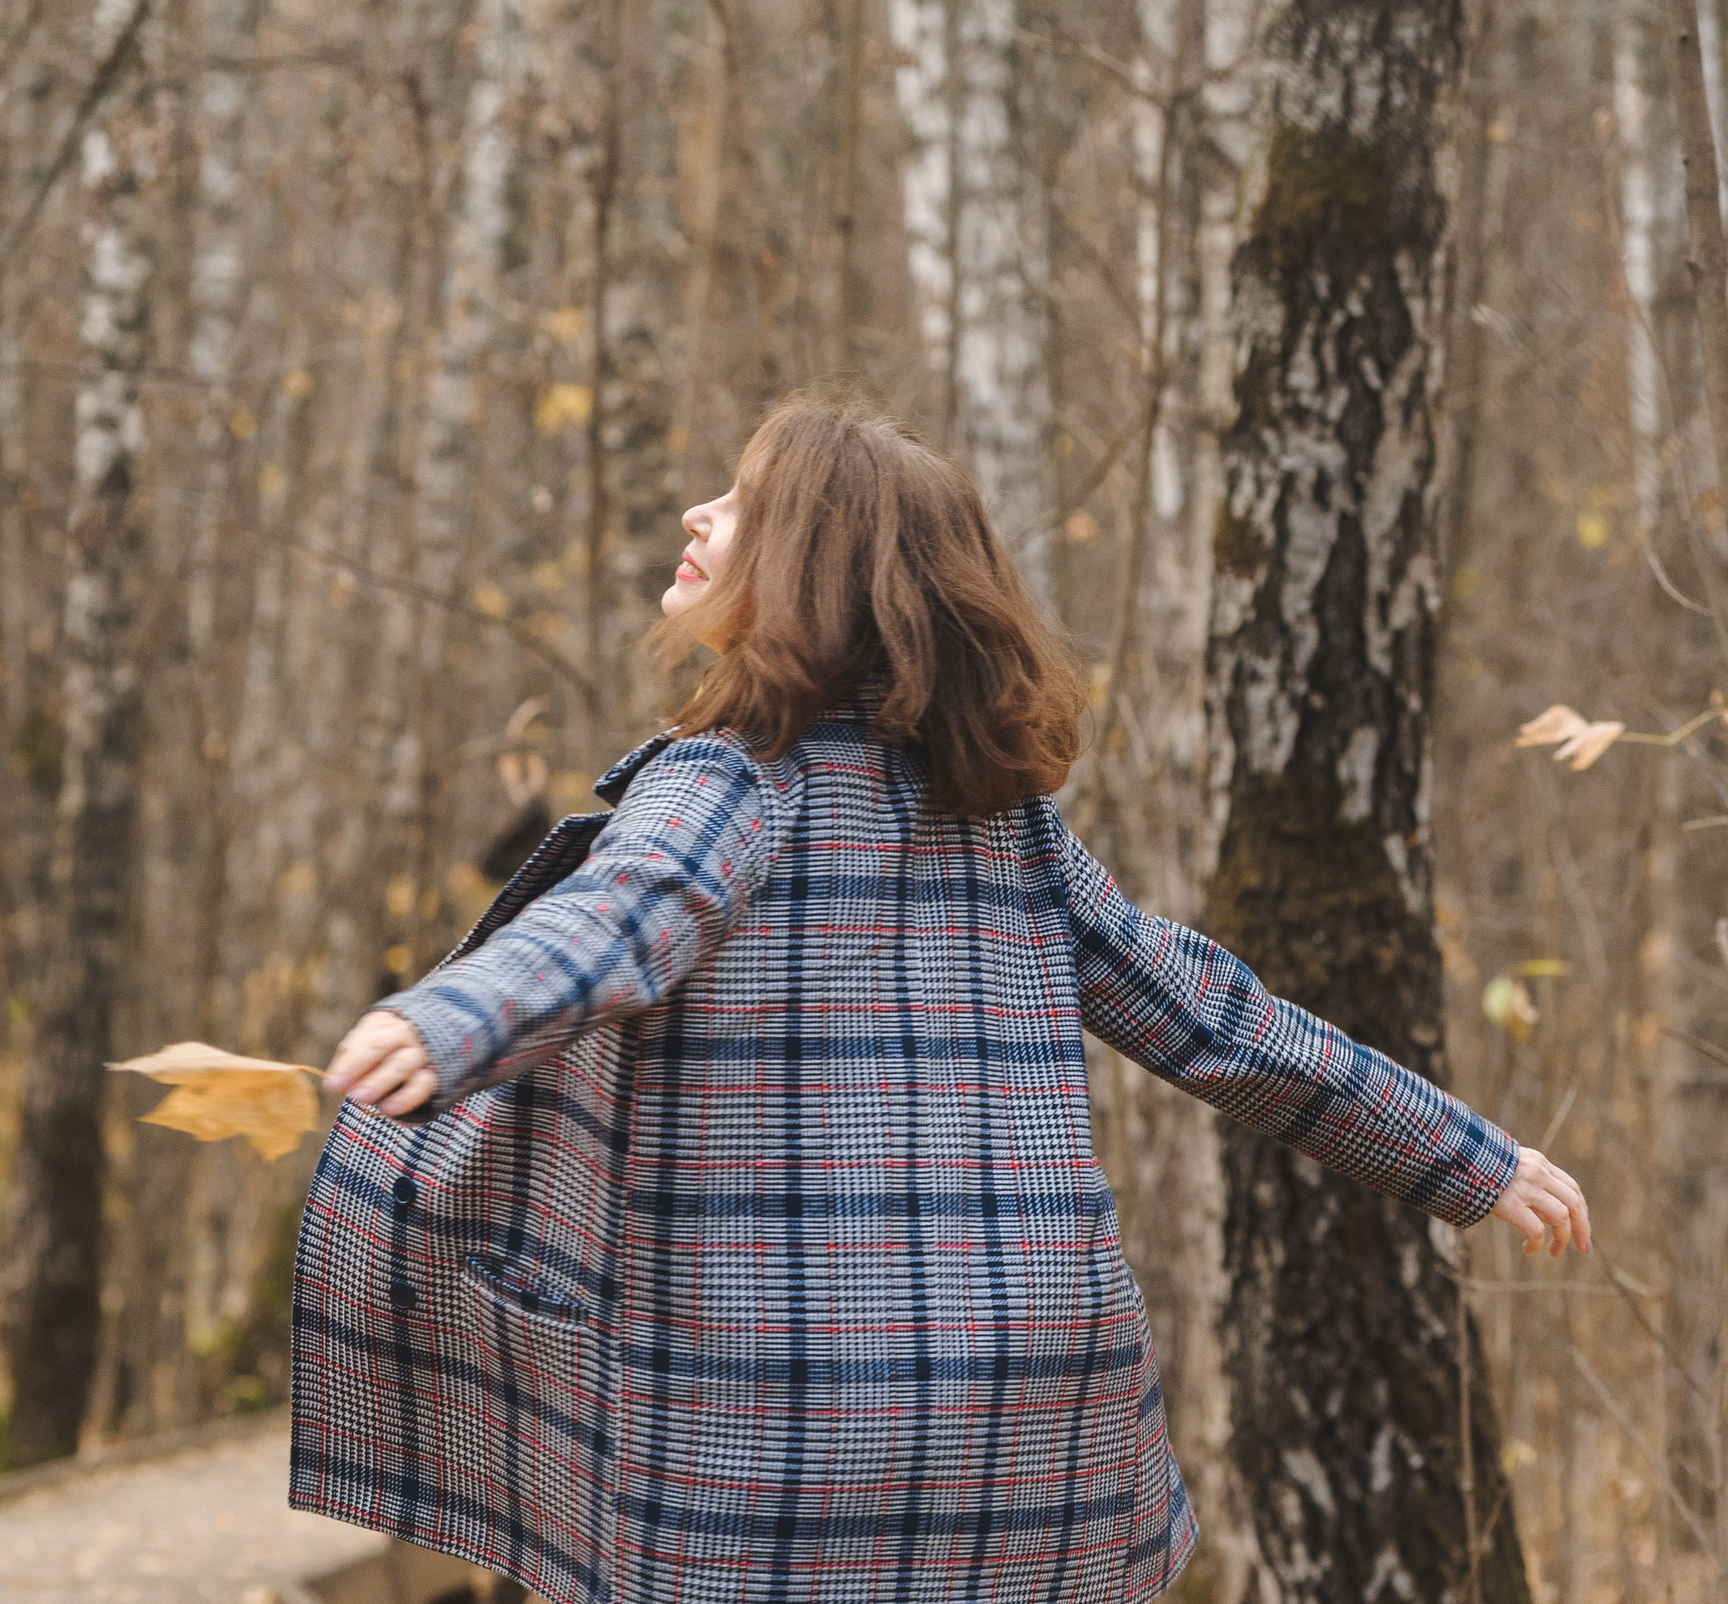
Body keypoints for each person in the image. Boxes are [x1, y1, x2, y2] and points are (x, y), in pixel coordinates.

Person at [292, 396, 1591, 1604]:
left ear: (817, 568)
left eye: (742, 502)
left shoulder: (732, 783)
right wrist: (1467, 1158)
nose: (700, 515)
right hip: (1025, 1440)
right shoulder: (1002, 827)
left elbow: (613, 920)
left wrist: (445, 1019)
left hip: (768, 1443)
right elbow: (1219, 1022)